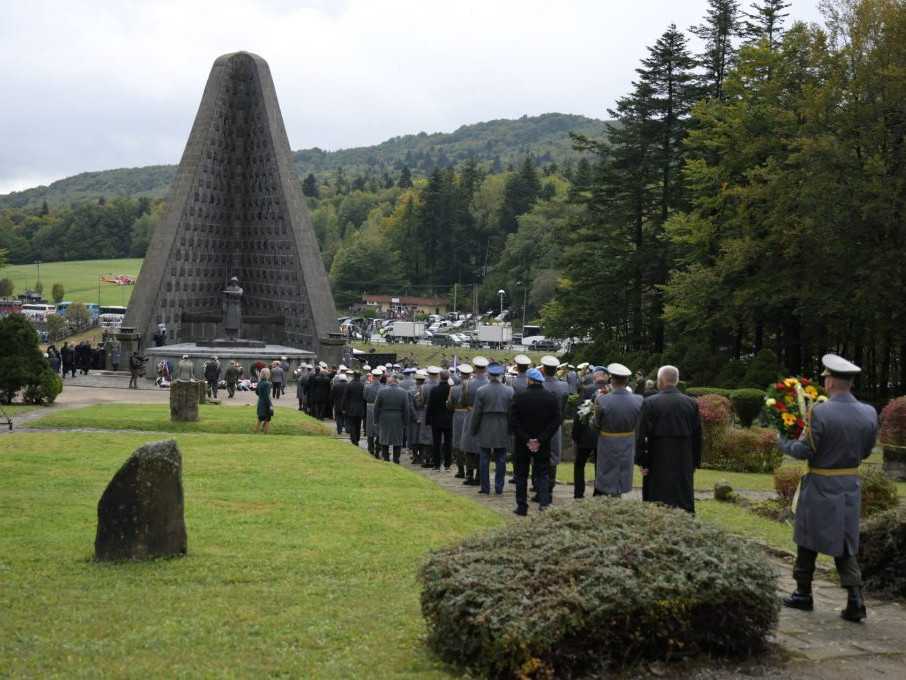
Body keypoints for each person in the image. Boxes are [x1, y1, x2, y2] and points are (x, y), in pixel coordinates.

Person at [779, 354, 878, 623]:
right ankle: (855, 598)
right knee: (845, 541)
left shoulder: (819, 412)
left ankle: (802, 593)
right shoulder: (869, 412)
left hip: (821, 482)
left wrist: (783, 441)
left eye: (825, 378)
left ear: (832, 381)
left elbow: (804, 450)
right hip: (849, 484)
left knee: (807, 537)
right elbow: (867, 451)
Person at [635, 365, 702, 513]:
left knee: (657, 497)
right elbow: (697, 436)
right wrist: (695, 461)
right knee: (682, 494)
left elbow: (640, 434)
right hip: (683, 456)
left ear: (660, 381)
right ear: (676, 381)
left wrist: (641, 461)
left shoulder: (650, 402)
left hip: (657, 455)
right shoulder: (691, 403)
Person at [510, 368, 561, 516]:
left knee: (521, 475)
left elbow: (514, 421)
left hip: (522, 443)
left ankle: (522, 506)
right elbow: (556, 420)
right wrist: (541, 438)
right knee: (543, 474)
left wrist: (526, 439)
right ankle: (544, 504)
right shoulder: (550, 398)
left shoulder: (520, 397)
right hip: (542, 443)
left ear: (530, 380)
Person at [594, 363, 643, 497]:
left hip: (607, 443)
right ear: (627, 380)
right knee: (623, 474)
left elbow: (596, 424)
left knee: (606, 475)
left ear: (612, 379)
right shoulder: (639, 400)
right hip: (628, 442)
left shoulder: (602, 400)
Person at [471, 362, 514, 495]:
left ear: (489, 374)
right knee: (501, 458)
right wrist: (511, 429)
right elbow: (512, 413)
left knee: (484, 457)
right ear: (500, 374)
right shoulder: (509, 390)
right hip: (503, 424)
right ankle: (499, 487)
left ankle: (485, 487)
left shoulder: (481, 391)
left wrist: (474, 428)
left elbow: (476, 412)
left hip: (486, 424)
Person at [540, 355, 570, 500]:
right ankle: (550, 487)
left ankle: (540, 487)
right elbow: (564, 406)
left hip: (540, 425)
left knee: (539, 456)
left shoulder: (539, 385)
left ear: (544, 369)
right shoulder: (564, 386)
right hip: (556, 424)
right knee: (553, 455)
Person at [572, 366, 605, 498]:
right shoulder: (610, 391)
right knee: (600, 466)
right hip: (602, 436)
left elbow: (579, 414)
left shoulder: (586, 390)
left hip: (585, 434)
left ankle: (579, 493)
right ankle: (598, 492)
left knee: (579, 465)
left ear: (595, 377)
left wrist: (575, 435)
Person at [374, 373, 410, 463]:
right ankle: (396, 459)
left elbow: (376, 407)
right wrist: (406, 422)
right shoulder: (404, 392)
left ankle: (386, 458)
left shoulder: (381, 391)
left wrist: (376, 419)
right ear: (397, 382)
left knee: (384, 438)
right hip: (398, 418)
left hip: (384, 417)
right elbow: (406, 408)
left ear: (389, 382)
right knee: (397, 439)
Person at [447, 364, 473, 478]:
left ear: (461, 375)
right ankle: (470, 471)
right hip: (470, 415)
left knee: (457, 444)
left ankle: (461, 470)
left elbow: (449, 405)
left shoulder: (453, 389)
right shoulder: (474, 387)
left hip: (457, 416)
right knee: (469, 443)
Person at [426, 369, 453, 470]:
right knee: (448, 443)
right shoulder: (451, 389)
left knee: (436, 443)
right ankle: (447, 464)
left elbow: (430, 406)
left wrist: (428, 420)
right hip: (448, 419)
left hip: (436, 419)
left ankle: (437, 464)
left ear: (440, 377)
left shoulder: (434, 390)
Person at [364, 368, 385, 457]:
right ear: (380, 377)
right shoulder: (383, 387)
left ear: (372, 376)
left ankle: (371, 448)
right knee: (379, 428)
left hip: (369, 407)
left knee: (370, 428)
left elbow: (364, 397)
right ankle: (378, 447)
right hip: (380, 408)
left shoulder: (367, 386)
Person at [342, 371, 366, 447]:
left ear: (353, 376)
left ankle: (354, 439)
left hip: (351, 408)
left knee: (352, 424)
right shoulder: (363, 385)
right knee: (358, 425)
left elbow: (345, 397)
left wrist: (343, 407)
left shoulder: (350, 385)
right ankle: (357, 438)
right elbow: (364, 398)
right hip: (360, 408)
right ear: (359, 376)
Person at [255, 367, 273, 433]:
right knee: (268, 419)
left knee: (260, 418)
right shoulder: (267, 384)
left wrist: (261, 396)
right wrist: (270, 406)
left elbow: (256, 392)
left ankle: (256, 431)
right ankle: (266, 433)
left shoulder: (260, 382)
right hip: (266, 403)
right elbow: (267, 396)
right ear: (268, 374)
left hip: (260, 402)